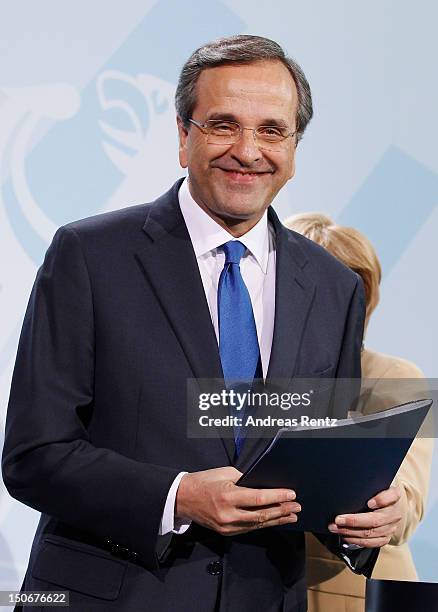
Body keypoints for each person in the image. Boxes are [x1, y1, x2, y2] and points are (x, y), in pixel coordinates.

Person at [2, 36, 402, 612]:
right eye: (223, 125)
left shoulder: (332, 287)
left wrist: (360, 515)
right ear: (183, 136)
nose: (247, 150)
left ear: (294, 147)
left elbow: (320, 461)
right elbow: (33, 456)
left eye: (271, 130)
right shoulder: (90, 256)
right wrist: (178, 497)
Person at [284, 212, 433, 612]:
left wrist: (389, 509)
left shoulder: (396, 377)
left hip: (351, 594)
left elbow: (407, 501)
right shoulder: (236, 378)